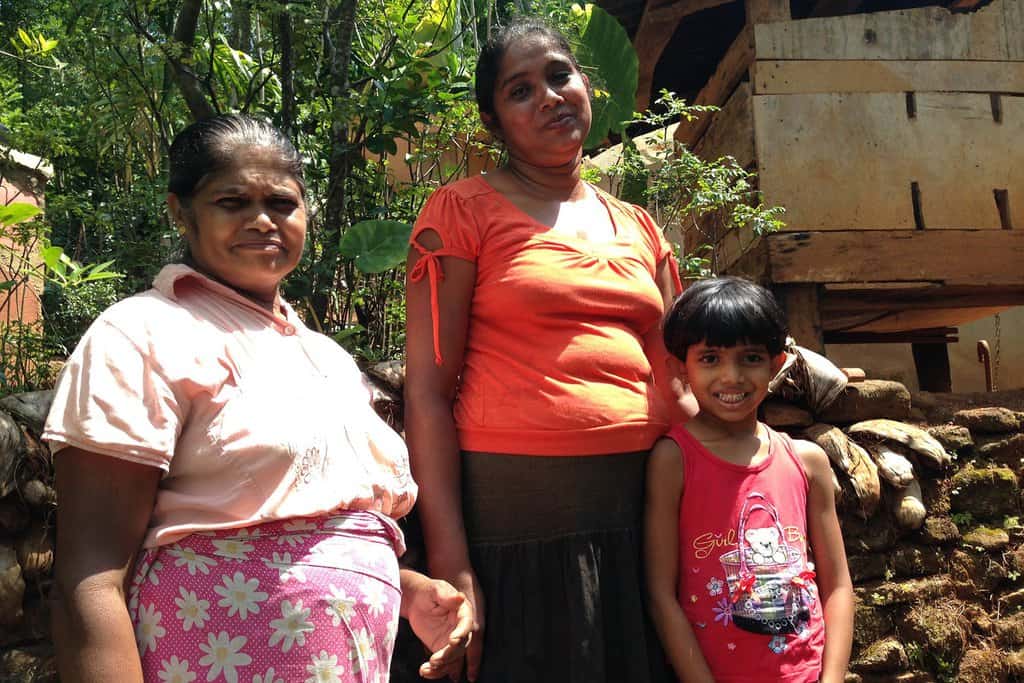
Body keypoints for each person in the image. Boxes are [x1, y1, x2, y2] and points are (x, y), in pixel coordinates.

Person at [45, 114, 473, 683]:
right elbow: (90, 578)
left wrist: (410, 590)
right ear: (181, 211)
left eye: (281, 202)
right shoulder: (141, 335)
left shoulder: (326, 359)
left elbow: (331, 527)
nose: (262, 220)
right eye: (232, 201)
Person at [403, 17, 692, 683]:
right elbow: (427, 391)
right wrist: (454, 565)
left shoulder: (640, 227)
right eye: (520, 90)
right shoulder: (462, 212)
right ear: (492, 122)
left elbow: (678, 378)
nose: (551, 96)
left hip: (642, 532)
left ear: (587, 84)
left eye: (560, 75)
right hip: (515, 536)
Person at [644, 276, 854, 683]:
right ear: (680, 368)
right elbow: (660, 594)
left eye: (751, 358)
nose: (732, 377)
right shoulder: (673, 461)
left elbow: (838, 587)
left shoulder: (808, 462)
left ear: (776, 364)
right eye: (710, 359)